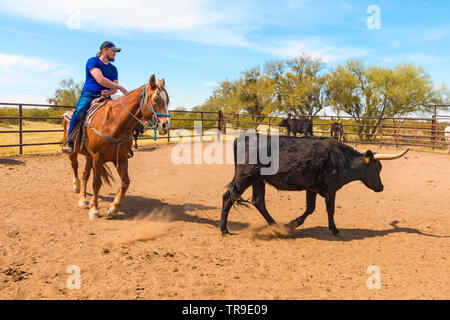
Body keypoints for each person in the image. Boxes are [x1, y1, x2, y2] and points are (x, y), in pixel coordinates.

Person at [63, 41, 128, 153]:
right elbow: (100, 79)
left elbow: (114, 89)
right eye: (113, 50)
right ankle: (70, 142)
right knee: (79, 111)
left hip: (105, 97)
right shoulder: (93, 61)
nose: (115, 53)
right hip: (89, 94)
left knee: (121, 115)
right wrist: (119, 86)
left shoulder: (113, 69)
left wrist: (108, 93)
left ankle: (123, 146)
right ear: (105, 50)